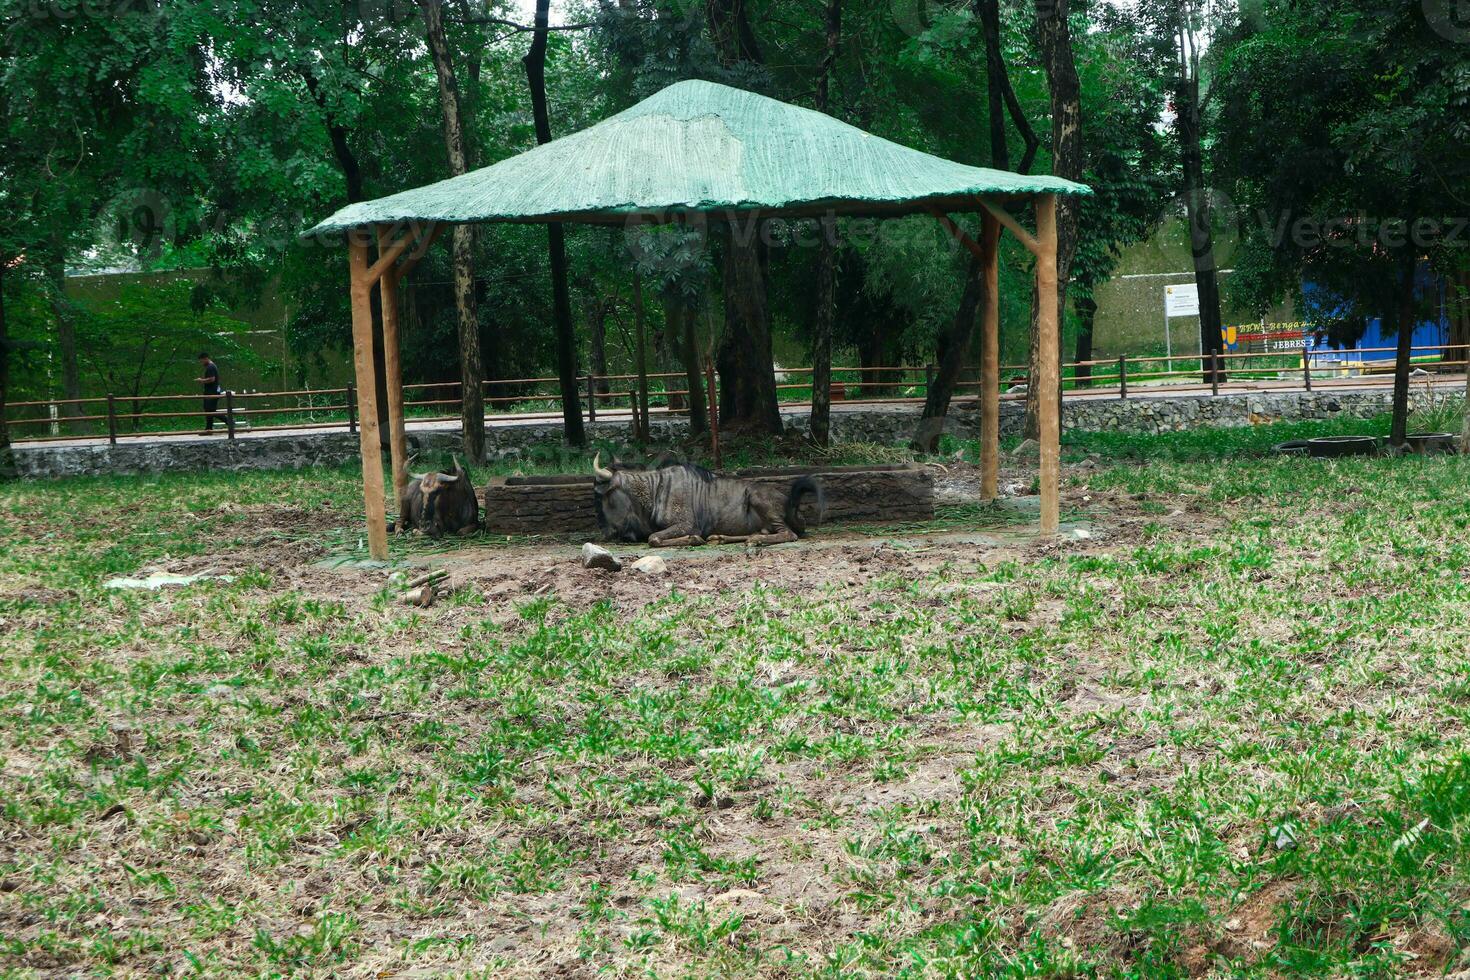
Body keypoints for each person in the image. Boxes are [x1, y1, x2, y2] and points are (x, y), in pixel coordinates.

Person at [196, 352, 222, 433]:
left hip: (212, 391)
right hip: (211, 391)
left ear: (206, 358)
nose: (201, 363)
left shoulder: (210, 367)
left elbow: (212, 379)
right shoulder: (211, 366)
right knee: (209, 410)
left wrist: (201, 380)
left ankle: (230, 422)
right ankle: (208, 429)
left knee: (210, 410)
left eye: (202, 361)